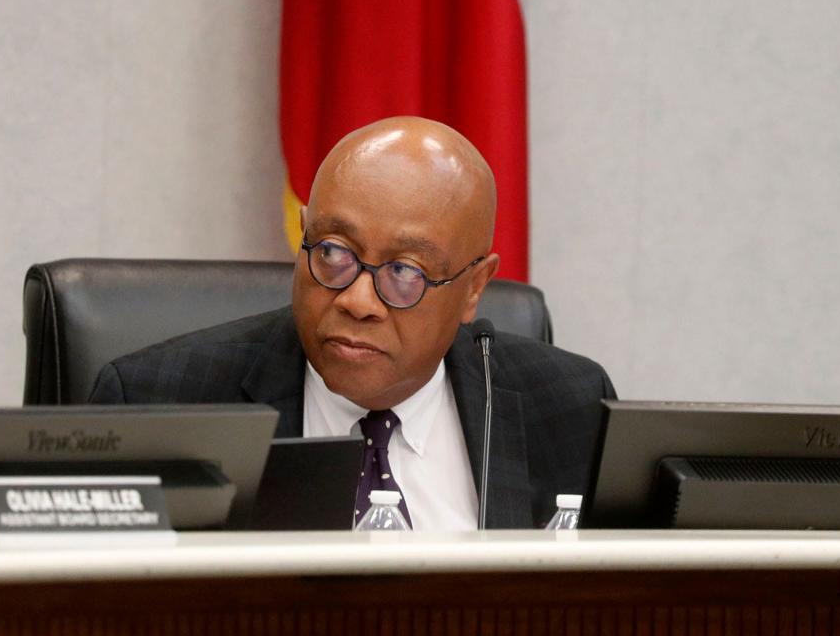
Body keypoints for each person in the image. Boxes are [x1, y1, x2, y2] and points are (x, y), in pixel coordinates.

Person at [90, 117, 616, 529]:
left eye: (403, 272)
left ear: (474, 286)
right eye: (335, 253)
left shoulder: (570, 409)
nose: (359, 300)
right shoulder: (161, 406)